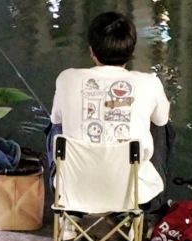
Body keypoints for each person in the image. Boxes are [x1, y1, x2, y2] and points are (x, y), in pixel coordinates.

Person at [50, 11, 171, 211]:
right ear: (131, 51)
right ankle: (146, 213)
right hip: (133, 192)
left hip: (73, 188)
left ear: (91, 51)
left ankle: (70, 220)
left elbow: (56, 119)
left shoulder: (67, 79)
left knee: (56, 124)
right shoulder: (150, 83)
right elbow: (162, 120)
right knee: (162, 125)